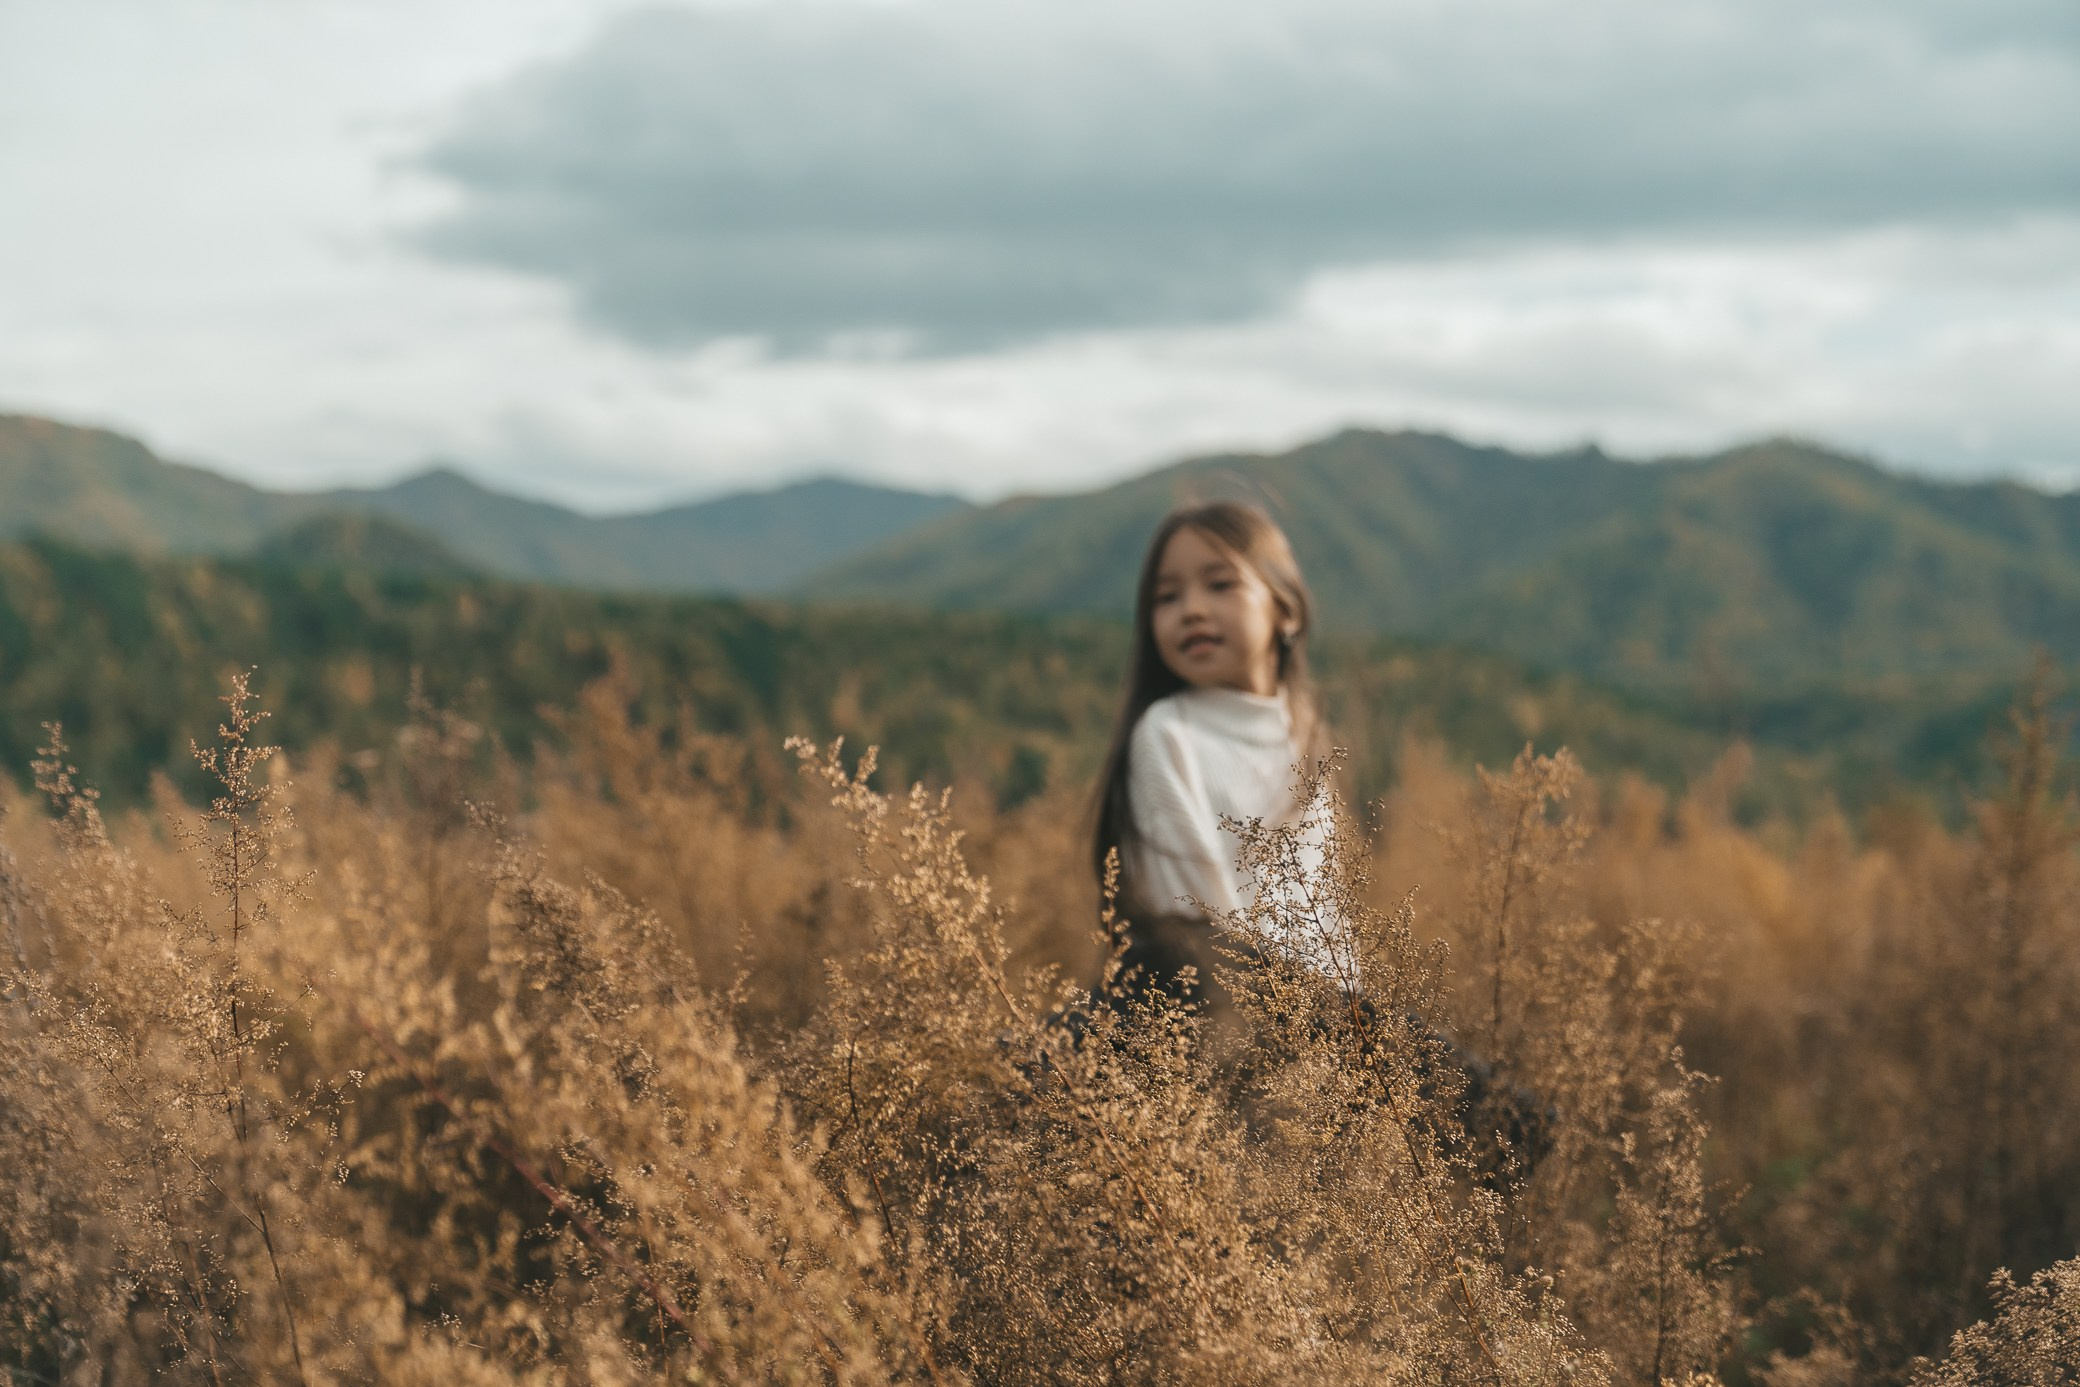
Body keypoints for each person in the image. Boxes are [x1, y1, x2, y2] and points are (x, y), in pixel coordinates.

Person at [1090, 500, 1345, 1010]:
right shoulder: (1168, 733)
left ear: (1285, 607)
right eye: (1167, 596)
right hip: (1226, 1012)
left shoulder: (1306, 737)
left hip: (1318, 1012)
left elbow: (1330, 917)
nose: (1193, 609)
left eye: (1220, 584)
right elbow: (1200, 923)